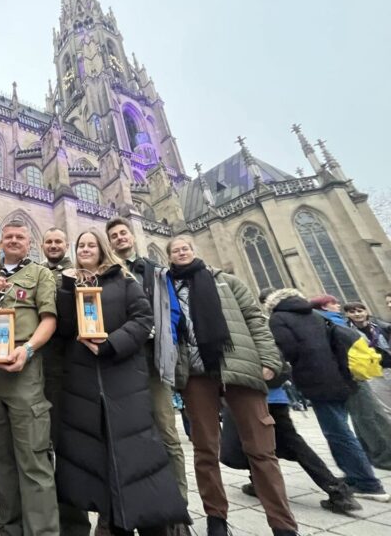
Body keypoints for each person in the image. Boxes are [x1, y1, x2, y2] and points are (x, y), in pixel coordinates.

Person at [55, 229, 189, 536]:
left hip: (124, 377)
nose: (85, 248)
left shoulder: (124, 280)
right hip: (85, 384)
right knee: (101, 461)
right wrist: (66, 286)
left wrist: (111, 344)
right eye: (80, 245)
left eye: (91, 244)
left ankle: (156, 524)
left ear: (102, 249)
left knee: (139, 455)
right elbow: (64, 328)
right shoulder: (72, 283)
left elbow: (143, 320)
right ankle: (116, 524)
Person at [166, 235, 298, 536]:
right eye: (175, 250)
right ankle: (216, 518)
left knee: (262, 450)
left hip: (239, 368)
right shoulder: (168, 289)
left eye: (185, 247)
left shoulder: (225, 281)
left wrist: (268, 359)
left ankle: (282, 523)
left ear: (194, 250)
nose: (181, 252)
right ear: (169, 257)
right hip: (198, 374)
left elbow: (254, 318)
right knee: (205, 449)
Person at [220, 290, 360, 515]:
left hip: (256, 393)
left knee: (262, 442)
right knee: (262, 442)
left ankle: (337, 490)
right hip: (271, 394)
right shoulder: (263, 322)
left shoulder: (246, 325)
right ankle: (260, 482)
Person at [0, 220, 60, 535]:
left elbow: (48, 320)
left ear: (29, 243)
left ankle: (43, 532)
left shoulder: (40, 274)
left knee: (33, 457)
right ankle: (11, 527)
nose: (13, 240)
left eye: (19, 237)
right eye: (7, 236)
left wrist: (29, 350)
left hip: (24, 371)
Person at [268, 289, 389, 502]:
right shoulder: (315, 315)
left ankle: (367, 483)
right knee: (343, 428)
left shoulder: (279, 318)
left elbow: (287, 349)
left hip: (317, 379)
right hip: (341, 377)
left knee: (338, 432)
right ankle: (357, 475)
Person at [105, 218, 188, 504]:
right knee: (128, 432)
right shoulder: (108, 274)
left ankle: (179, 503)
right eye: (114, 235)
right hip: (123, 361)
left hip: (153, 359)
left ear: (132, 236)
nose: (119, 238)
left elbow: (173, 311)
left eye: (123, 233)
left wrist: (164, 337)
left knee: (166, 430)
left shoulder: (155, 271)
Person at [41, 226, 93, 536]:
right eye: (48, 241)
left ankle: (75, 524)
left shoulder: (81, 274)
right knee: (47, 445)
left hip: (74, 364)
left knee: (71, 447)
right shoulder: (35, 272)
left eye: (59, 241)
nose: (54, 245)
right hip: (44, 366)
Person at [311, 295, 391, 471]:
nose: (338, 305)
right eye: (334, 303)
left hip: (361, 372)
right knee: (371, 415)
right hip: (355, 374)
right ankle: (383, 457)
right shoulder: (330, 323)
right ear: (324, 307)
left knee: (364, 416)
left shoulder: (333, 322)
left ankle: (373, 454)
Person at [344, 301, 391, 416]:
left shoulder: (383, 327)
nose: (357, 314)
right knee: (386, 406)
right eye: (352, 312)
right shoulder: (347, 332)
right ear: (347, 315)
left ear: (366, 312)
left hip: (388, 366)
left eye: (360, 311)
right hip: (372, 373)